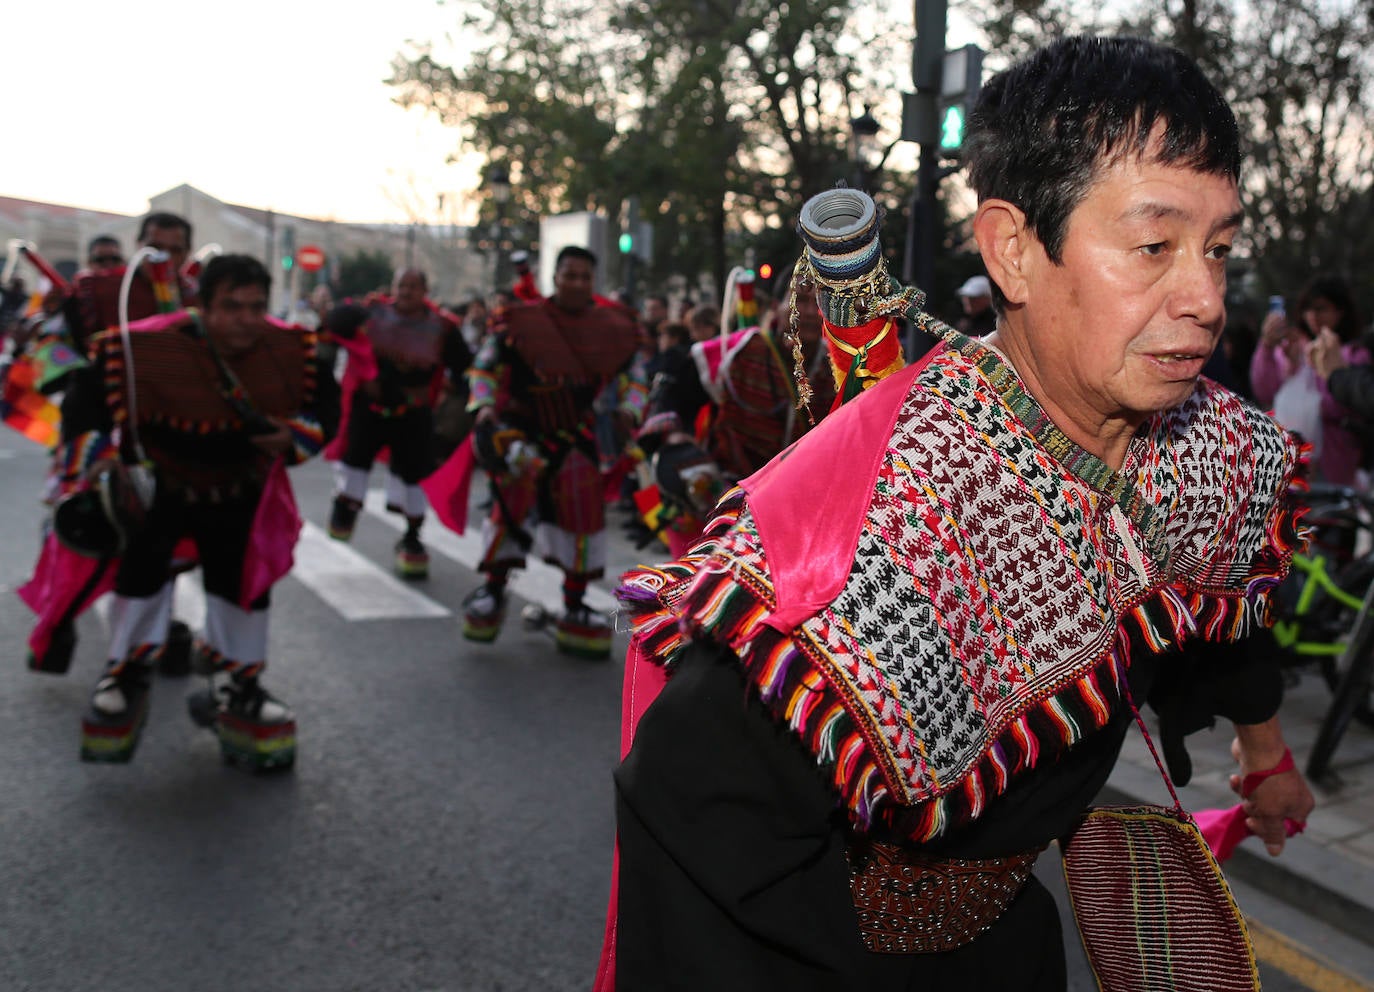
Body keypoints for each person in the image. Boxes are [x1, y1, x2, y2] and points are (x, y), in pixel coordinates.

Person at [602, 36, 1314, 989]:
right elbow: (692, 810)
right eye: (1154, 246)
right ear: (1014, 251)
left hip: (1010, 945)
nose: (1204, 298)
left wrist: (1264, 752)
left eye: (1218, 248)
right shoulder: (890, 532)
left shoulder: (1211, 446)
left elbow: (1220, 589)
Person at [58, 254, 339, 767]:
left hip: (241, 491)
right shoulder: (140, 346)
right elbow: (84, 405)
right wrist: (97, 463)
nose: (246, 319)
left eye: (255, 307)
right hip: (161, 487)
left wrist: (295, 437)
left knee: (242, 588)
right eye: (231, 307)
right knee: (142, 577)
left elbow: (324, 411)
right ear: (203, 307)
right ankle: (125, 672)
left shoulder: (291, 348)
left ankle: (242, 683)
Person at [462, 245, 645, 657]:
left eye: (585, 276)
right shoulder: (519, 320)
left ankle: (575, 604)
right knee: (509, 509)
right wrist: (484, 404)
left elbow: (636, 376)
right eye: (569, 274)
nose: (577, 283)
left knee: (583, 515)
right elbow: (483, 366)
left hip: (575, 436)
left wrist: (630, 411)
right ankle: (492, 591)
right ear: (555, 276)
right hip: (521, 433)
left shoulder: (613, 326)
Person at [325, 267, 471, 577]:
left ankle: (412, 538)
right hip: (371, 407)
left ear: (425, 291)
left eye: (413, 286)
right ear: (393, 288)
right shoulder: (372, 314)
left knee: (415, 476)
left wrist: (465, 396)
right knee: (354, 461)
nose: (406, 292)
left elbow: (466, 367)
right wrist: (351, 309)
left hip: (414, 413)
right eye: (401, 286)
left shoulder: (442, 328)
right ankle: (346, 507)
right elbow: (334, 323)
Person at [1251, 275, 1369, 485]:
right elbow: (1265, 390)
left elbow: (1344, 405)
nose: (1313, 316)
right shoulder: (1293, 349)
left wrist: (1328, 372)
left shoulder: (1354, 355)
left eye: (1321, 308)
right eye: (1308, 309)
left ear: (1340, 311)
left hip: (1336, 460)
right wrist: (1270, 350)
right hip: (1293, 460)